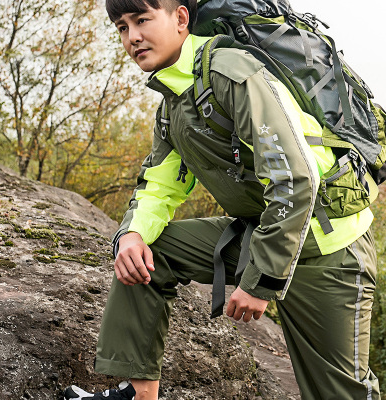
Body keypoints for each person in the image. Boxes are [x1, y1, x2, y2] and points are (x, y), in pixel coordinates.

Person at [64, 0, 380, 399]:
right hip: (265, 231)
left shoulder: (233, 73)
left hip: (328, 247)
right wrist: (130, 235)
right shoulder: (174, 100)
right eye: (122, 28)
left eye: (142, 20)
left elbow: (295, 179)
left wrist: (261, 281)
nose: (133, 37)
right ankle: (138, 393)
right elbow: (159, 185)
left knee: (340, 393)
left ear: (181, 19)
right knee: (146, 253)